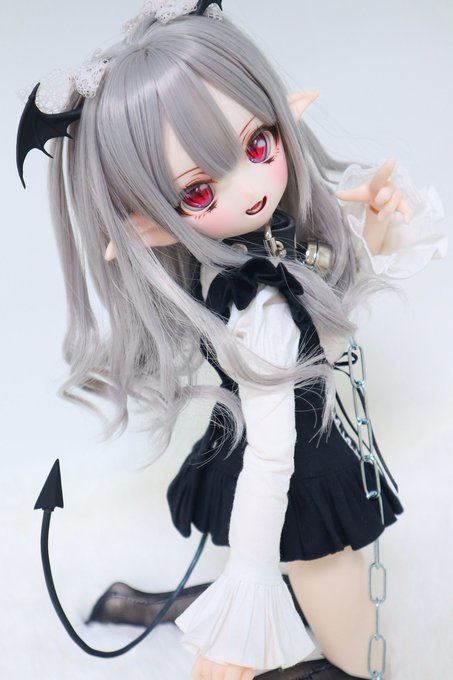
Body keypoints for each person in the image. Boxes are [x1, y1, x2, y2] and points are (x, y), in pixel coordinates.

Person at [19, 2, 446, 678]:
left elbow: (330, 294)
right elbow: (272, 457)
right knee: (356, 648)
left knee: (329, 602)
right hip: (295, 474)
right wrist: (247, 588)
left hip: (303, 455)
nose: (248, 191)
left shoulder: (267, 252)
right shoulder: (256, 304)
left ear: (282, 117)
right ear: (147, 223)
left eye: (258, 145)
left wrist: (374, 222)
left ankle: (189, 606)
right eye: (195, 192)